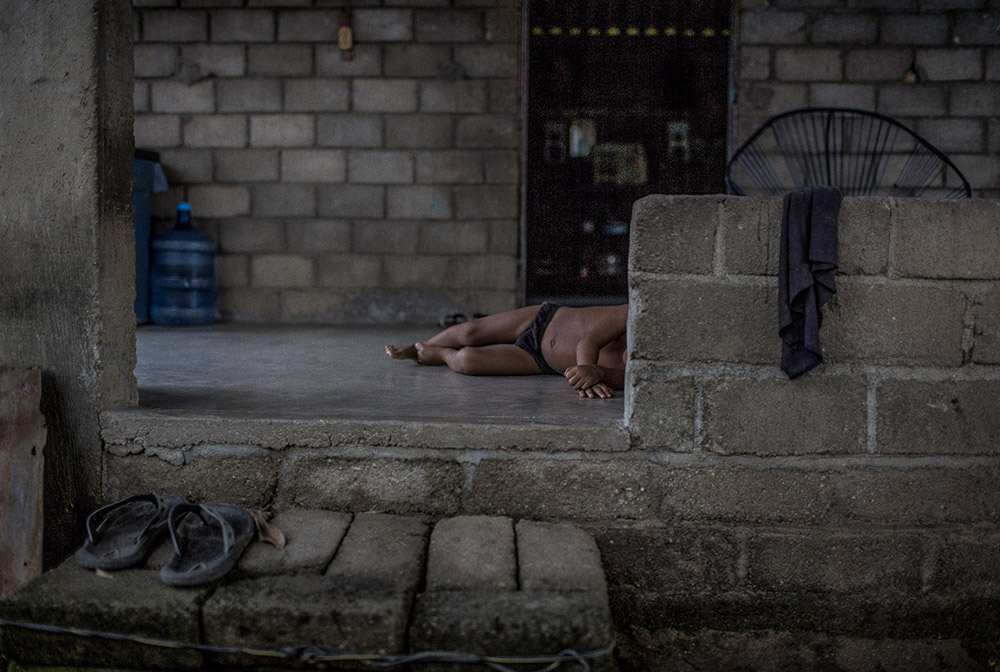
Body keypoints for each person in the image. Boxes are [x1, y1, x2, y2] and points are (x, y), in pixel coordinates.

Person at [385, 302, 628, 399]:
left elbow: (626, 378)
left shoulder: (656, 366)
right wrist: (587, 369)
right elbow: (589, 340)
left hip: (539, 361)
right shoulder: (635, 312)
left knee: (468, 361)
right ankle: (422, 346)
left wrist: (600, 374)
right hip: (545, 319)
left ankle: (437, 354)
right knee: (470, 332)